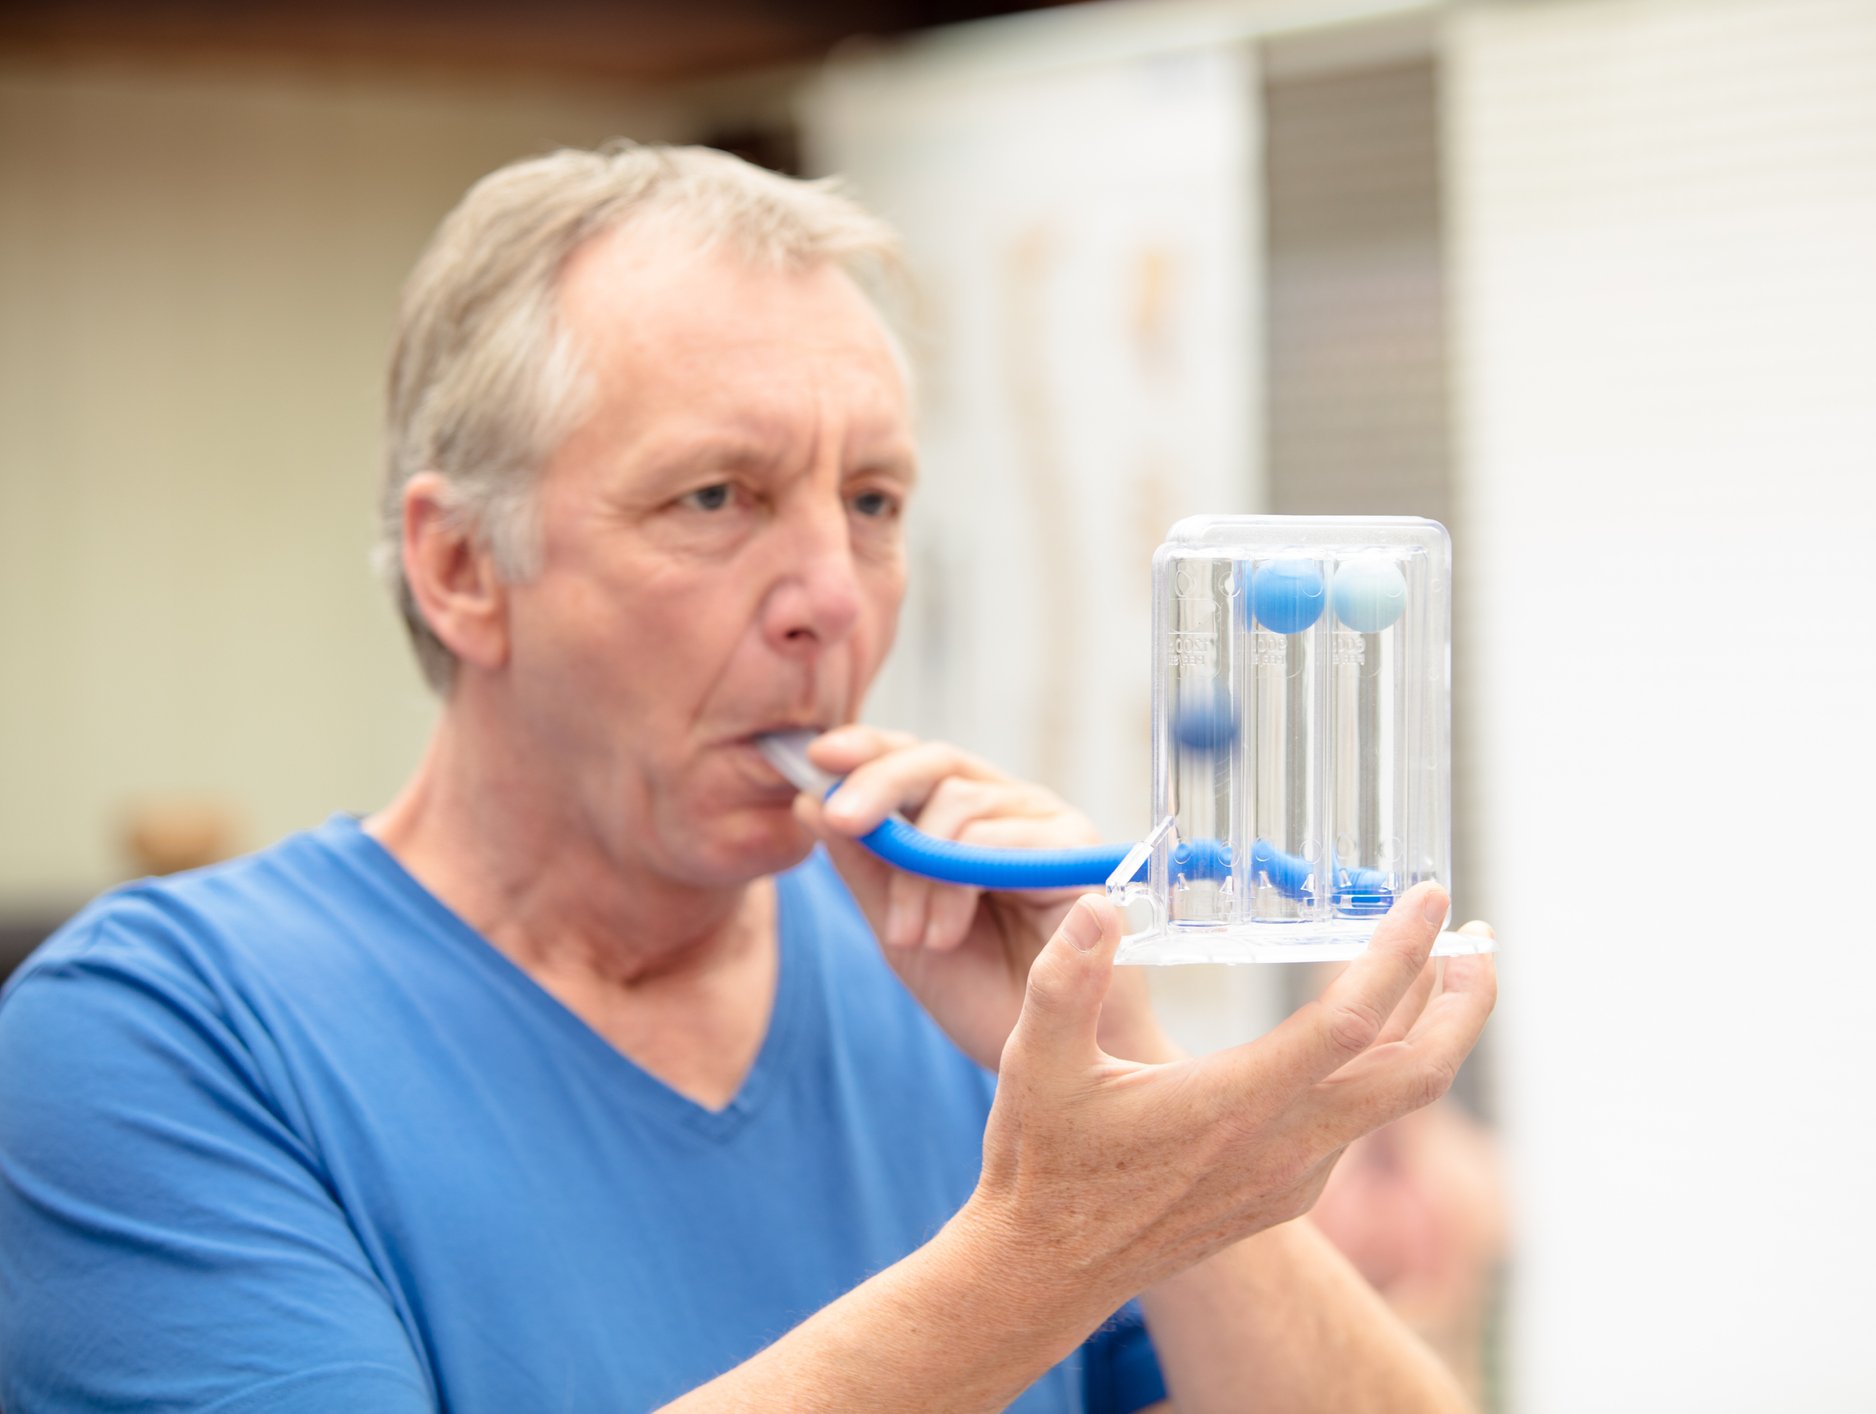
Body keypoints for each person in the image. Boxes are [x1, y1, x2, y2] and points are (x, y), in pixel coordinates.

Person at [0, 144, 1498, 1412]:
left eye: (873, 500)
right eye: (717, 496)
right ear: (462, 569)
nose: (831, 595)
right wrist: (1050, 1245)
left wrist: (1142, 1097)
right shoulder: (154, 1043)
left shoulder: (978, 1012)